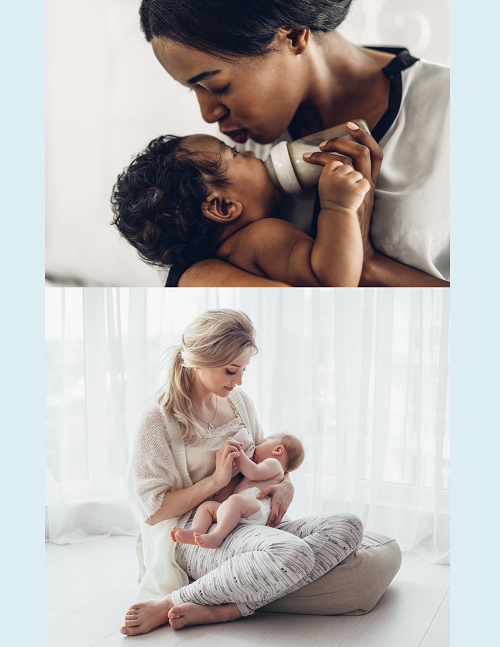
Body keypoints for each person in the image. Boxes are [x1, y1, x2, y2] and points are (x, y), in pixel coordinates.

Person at [135, 0, 450, 288]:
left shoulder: (452, 108)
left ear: (294, 36)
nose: (207, 115)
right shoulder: (234, 161)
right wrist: (191, 277)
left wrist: (368, 265)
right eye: (194, 90)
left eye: (217, 85)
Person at [121, 309, 364, 634]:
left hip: (250, 518)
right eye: (231, 370)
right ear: (198, 359)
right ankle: (172, 602)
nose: (239, 381)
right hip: (197, 530)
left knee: (348, 524)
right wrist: (216, 481)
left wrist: (286, 485)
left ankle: (233, 607)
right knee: (293, 554)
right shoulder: (158, 419)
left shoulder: (240, 402)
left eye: (244, 369)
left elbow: (269, 459)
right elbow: (153, 512)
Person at [111, 127, 371, 287]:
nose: (249, 152)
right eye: (234, 153)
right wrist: (338, 207)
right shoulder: (261, 237)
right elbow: (332, 282)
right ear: (222, 207)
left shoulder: (229, 257)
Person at [171, 433, 305, 549]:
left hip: (257, 508)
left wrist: (238, 453)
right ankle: (196, 531)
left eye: (263, 442)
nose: (256, 446)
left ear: (278, 449)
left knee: (235, 500)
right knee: (207, 507)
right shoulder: (273, 468)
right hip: (237, 509)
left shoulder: (274, 464)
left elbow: (253, 473)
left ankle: (216, 537)